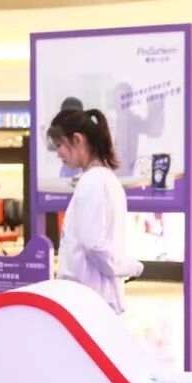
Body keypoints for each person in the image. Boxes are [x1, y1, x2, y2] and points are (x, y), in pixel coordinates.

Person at [47, 107, 143, 314]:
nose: (58, 154)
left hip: (89, 302)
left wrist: (131, 267)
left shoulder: (94, 182)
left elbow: (94, 245)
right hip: (91, 300)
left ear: (77, 140)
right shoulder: (99, 180)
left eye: (59, 145)